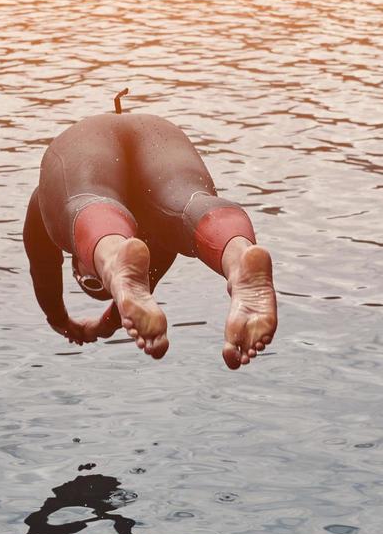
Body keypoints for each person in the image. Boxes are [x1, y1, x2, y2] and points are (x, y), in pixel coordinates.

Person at [21, 104, 278, 369]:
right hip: (160, 137)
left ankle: (110, 256)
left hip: (87, 142)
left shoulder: (47, 208)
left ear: (74, 262)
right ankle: (239, 258)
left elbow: (44, 272)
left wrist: (61, 320)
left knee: (83, 203)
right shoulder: (152, 253)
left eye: (91, 280)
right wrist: (102, 327)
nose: (98, 279)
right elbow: (135, 298)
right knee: (187, 203)